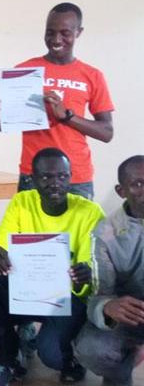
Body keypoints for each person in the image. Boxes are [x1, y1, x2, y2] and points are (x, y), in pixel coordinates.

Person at [0, 148, 105, 386]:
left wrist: (85, 273)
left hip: (66, 297)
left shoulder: (90, 212)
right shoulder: (22, 201)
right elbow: (1, 243)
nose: (55, 183)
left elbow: (92, 264)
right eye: (46, 177)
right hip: (27, 291)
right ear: (33, 179)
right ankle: (8, 361)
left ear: (70, 177)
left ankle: (70, 358)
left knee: (53, 358)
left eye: (62, 176)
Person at [0, 2, 114, 200]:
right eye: (50, 32)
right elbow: (13, 123)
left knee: (78, 232)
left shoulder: (92, 75)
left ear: (79, 32)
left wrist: (67, 116)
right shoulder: (24, 71)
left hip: (76, 177)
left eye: (65, 33)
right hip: (34, 174)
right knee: (32, 231)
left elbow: (106, 132)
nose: (56, 39)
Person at [74, 155, 144, 386]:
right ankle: (119, 374)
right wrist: (107, 306)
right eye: (137, 183)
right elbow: (99, 293)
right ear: (121, 190)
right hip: (131, 316)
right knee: (91, 348)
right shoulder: (105, 232)